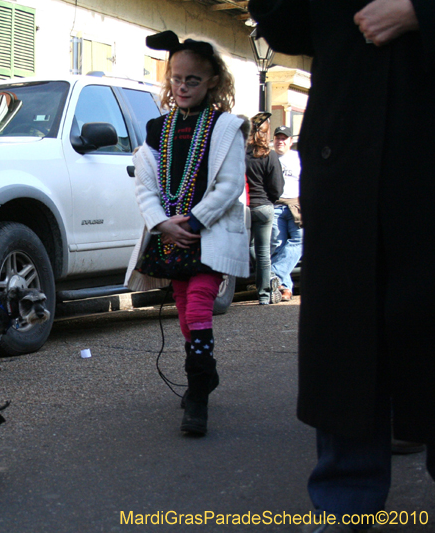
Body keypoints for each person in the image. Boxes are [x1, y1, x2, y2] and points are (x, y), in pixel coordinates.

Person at [248, 0, 435, 531]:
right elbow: (285, 25)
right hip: (346, 155)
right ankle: (346, 499)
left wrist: (419, 12)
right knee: (345, 336)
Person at [125, 30, 249, 436]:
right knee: (184, 311)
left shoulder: (227, 127)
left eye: (192, 80)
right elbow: (145, 184)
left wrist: (193, 223)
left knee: (197, 308)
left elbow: (229, 185)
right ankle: (204, 373)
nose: (181, 87)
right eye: (176, 79)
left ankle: (197, 394)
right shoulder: (157, 128)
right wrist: (162, 223)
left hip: (205, 236)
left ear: (212, 81)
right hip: (170, 237)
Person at [245, 112, 284, 305]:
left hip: (245, 207)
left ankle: (266, 281)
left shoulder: (242, 155)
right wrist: (271, 199)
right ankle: (264, 294)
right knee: (263, 253)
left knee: (250, 247)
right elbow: (277, 187)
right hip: (264, 206)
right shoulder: (270, 156)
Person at [270, 125, 302, 301]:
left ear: (290, 141)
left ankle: (273, 273)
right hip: (275, 206)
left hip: (296, 205)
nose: (280, 141)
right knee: (277, 245)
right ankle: (285, 288)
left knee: (300, 240)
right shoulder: (269, 157)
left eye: (284, 138)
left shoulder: (298, 158)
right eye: (278, 138)